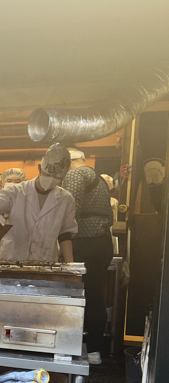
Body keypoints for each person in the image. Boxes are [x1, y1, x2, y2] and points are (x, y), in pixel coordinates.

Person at [0, 144, 77, 263]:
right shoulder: (16, 191)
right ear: (39, 168)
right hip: (13, 260)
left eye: (57, 177)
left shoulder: (66, 199)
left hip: (45, 261)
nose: (51, 179)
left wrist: (70, 266)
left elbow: (65, 234)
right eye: (47, 174)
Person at [63, 148, 114, 365]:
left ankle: (69, 348)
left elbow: (69, 211)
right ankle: (94, 350)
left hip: (84, 243)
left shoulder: (76, 174)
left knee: (73, 295)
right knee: (94, 296)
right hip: (101, 242)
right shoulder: (99, 179)